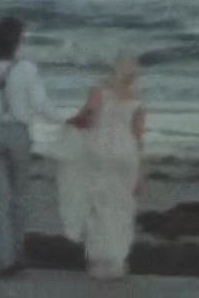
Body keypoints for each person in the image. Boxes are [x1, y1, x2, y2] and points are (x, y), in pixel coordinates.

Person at [0, 16, 65, 279]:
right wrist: (67, 120)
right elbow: (41, 105)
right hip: (20, 134)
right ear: (17, 43)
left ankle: (4, 260)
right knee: (19, 198)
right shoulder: (27, 69)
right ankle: (18, 253)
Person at [54, 55, 145, 280]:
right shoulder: (138, 100)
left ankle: (99, 261)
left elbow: (90, 118)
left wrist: (70, 123)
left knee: (97, 205)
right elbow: (138, 138)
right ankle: (117, 260)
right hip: (126, 153)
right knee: (122, 205)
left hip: (99, 151)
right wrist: (140, 173)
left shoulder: (99, 90)